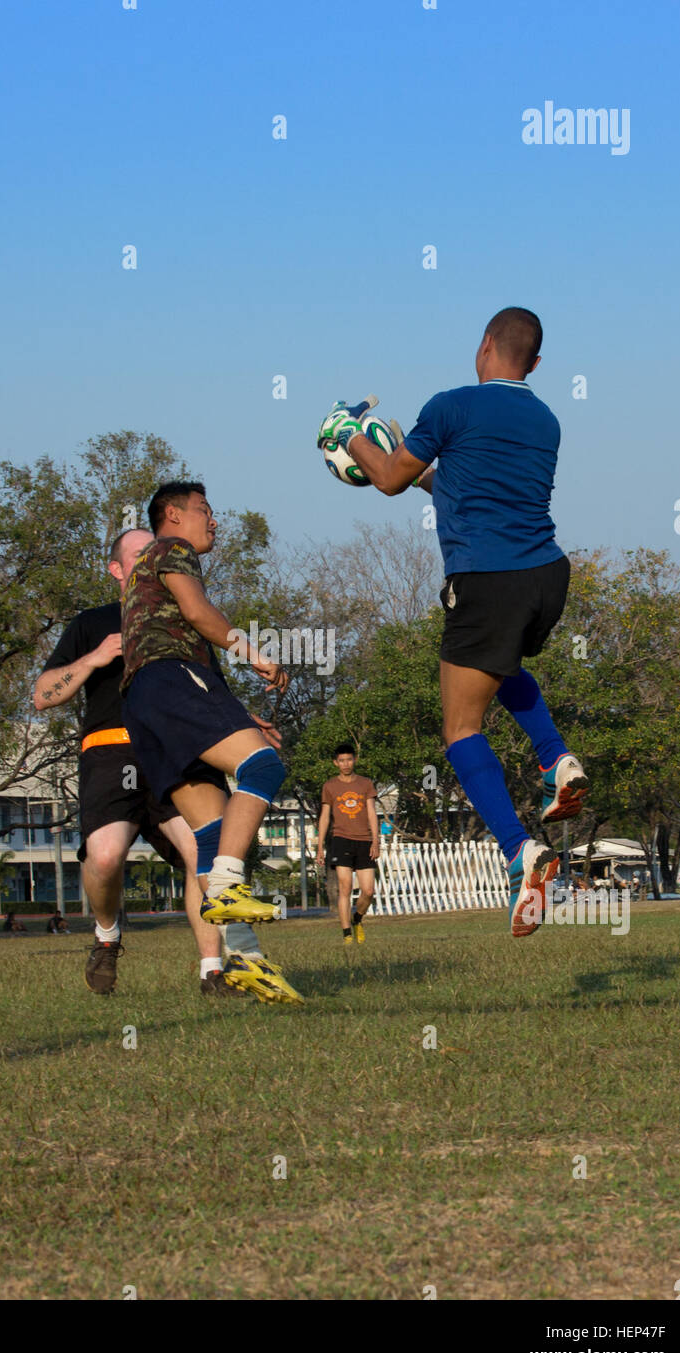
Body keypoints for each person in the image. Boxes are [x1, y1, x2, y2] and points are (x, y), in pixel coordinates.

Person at [321, 307, 589, 937]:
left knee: (461, 727)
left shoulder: (450, 405)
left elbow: (386, 479)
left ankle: (521, 851)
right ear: (535, 363)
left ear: (484, 345)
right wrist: (411, 467)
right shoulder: (546, 419)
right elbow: (464, 485)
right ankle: (558, 760)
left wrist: (350, 434)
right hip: (547, 575)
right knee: (503, 667)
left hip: (487, 581)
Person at [34, 526, 247, 999]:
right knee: (106, 858)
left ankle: (213, 971)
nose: (151, 560)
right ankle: (107, 936)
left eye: (156, 552)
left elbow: (210, 689)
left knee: (205, 854)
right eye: (138, 555)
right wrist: (93, 658)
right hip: (112, 751)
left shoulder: (185, 619)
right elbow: (42, 696)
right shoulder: (92, 623)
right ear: (116, 570)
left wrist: (244, 721)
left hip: (177, 750)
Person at [119, 483, 303, 1004]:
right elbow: (199, 615)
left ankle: (246, 960)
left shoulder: (140, 581)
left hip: (146, 703)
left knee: (208, 831)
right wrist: (256, 653)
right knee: (263, 768)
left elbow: (176, 640)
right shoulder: (170, 550)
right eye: (205, 511)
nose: (214, 522)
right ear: (172, 515)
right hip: (170, 682)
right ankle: (226, 885)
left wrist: (238, 713)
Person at [316, 743, 380, 945]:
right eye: (341, 760)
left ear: (355, 760)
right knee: (345, 887)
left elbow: (371, 812)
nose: (346, 764)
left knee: (368, 891)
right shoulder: (330, 786)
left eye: (349, 759)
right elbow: (325, 816)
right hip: (341, 840)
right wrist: (319, 846)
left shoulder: (365, 784)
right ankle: (347, 935)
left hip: (364, 840)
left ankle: (357, 919)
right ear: (336, 763)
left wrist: (376, 840)